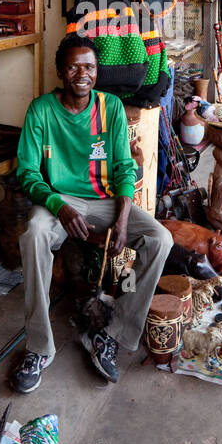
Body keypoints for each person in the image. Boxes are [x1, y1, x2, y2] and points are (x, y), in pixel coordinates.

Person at [10, 34, 172, 392]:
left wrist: (124, 214)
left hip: (103, 201)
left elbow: (124, 169)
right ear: (60, 71)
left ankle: (109, 335)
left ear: (97, 72)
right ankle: (39, 347)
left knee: (161, 239)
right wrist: (59, 206)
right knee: (34, 235)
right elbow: (28, 174)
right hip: (57, 201)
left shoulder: (111, 107)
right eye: (73, 66)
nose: (82, 74)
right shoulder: (41, 111)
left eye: (89, 67)